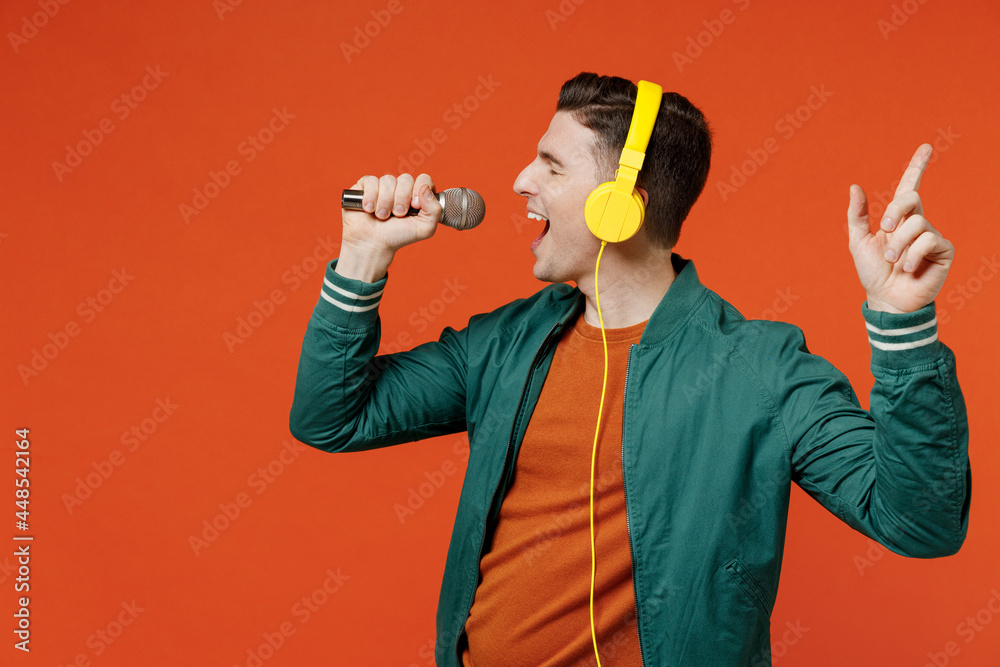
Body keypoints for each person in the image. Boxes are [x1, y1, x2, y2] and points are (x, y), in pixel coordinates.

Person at [289, 72, 970, 666]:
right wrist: (362, 256)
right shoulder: (506, 342)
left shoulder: (761, 368)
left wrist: (903, 323)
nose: (521, 181)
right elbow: (332, 417)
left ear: (620, 204)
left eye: (551, 166)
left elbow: (921, 523)